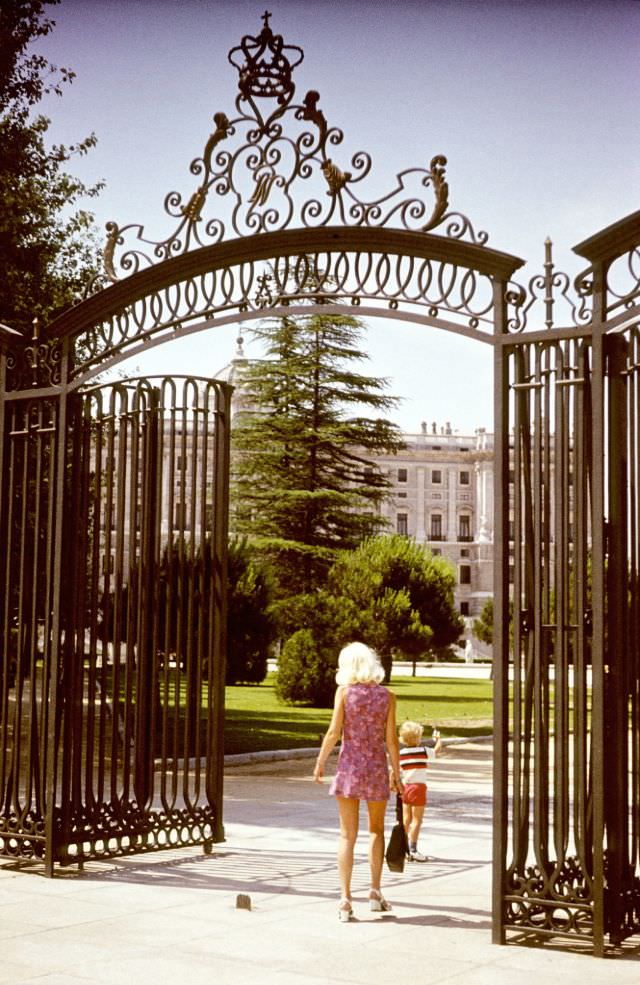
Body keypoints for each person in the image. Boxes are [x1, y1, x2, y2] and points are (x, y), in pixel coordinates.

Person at [313, 642, 404, 923]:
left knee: (346, 835)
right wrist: (397, 773)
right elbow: (391, 740)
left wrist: (320, 762)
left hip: (350, 767)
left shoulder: (344, 693)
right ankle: (375, 892)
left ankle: (345, 899)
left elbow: (333, 733)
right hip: (376, 766)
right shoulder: (388, 696)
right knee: (376, 830)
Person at [397, 720, 442, 862]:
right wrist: (438, 740)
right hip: (418, 788)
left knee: (406, 820)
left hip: (405, 788)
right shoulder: (423, 751)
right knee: (417, 820)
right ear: (418, 738)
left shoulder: (402, 753)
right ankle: (413, 849)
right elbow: (436, 750)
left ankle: (402, 848)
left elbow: (396, 770)